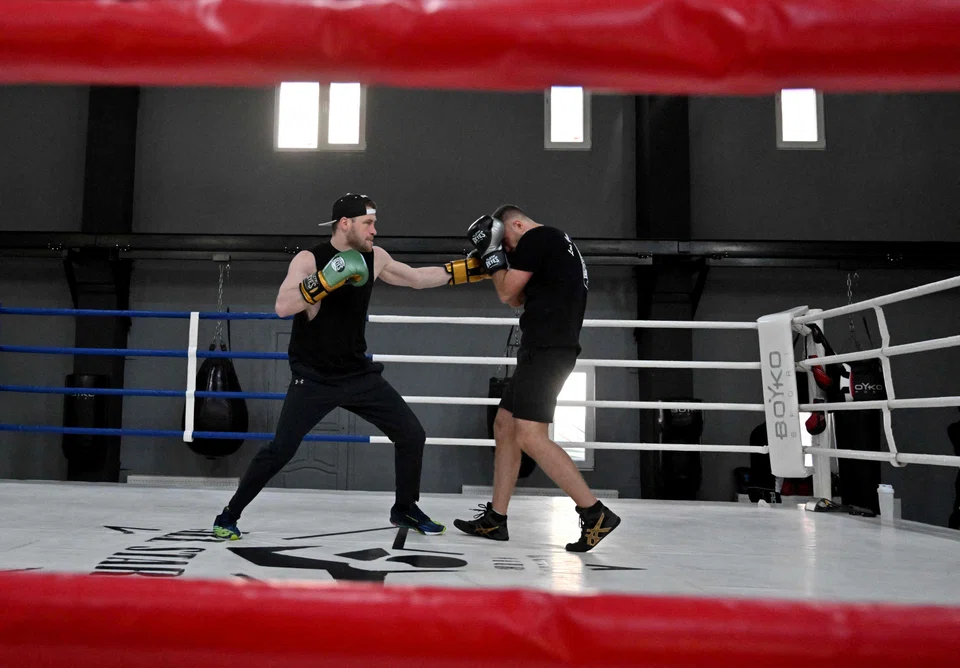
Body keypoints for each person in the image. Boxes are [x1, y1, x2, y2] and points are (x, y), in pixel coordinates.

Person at [213, 193, 490, 540]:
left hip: (358, 375)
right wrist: (325, 281)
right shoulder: (309, 259)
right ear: (345, 224)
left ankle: (405, 508)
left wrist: (469, 270)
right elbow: (283, 306)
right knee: (280, 450)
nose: (374, 230)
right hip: (314, 377)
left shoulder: (375, 257)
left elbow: (417, 278)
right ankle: (228, 516)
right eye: (368, 223)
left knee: (411, 434)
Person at [453, 205, 621, 552]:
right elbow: (515, 297)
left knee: (530, 435)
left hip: (547, 349)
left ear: (516, 224)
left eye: (507, 242)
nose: (509, 249)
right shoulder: (556, 243)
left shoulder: (537, 237)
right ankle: (495, 518)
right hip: (545, 348)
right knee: (504, 424)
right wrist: (498, 261)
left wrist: (493, 255)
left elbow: (504, 292)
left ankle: (594, 513)